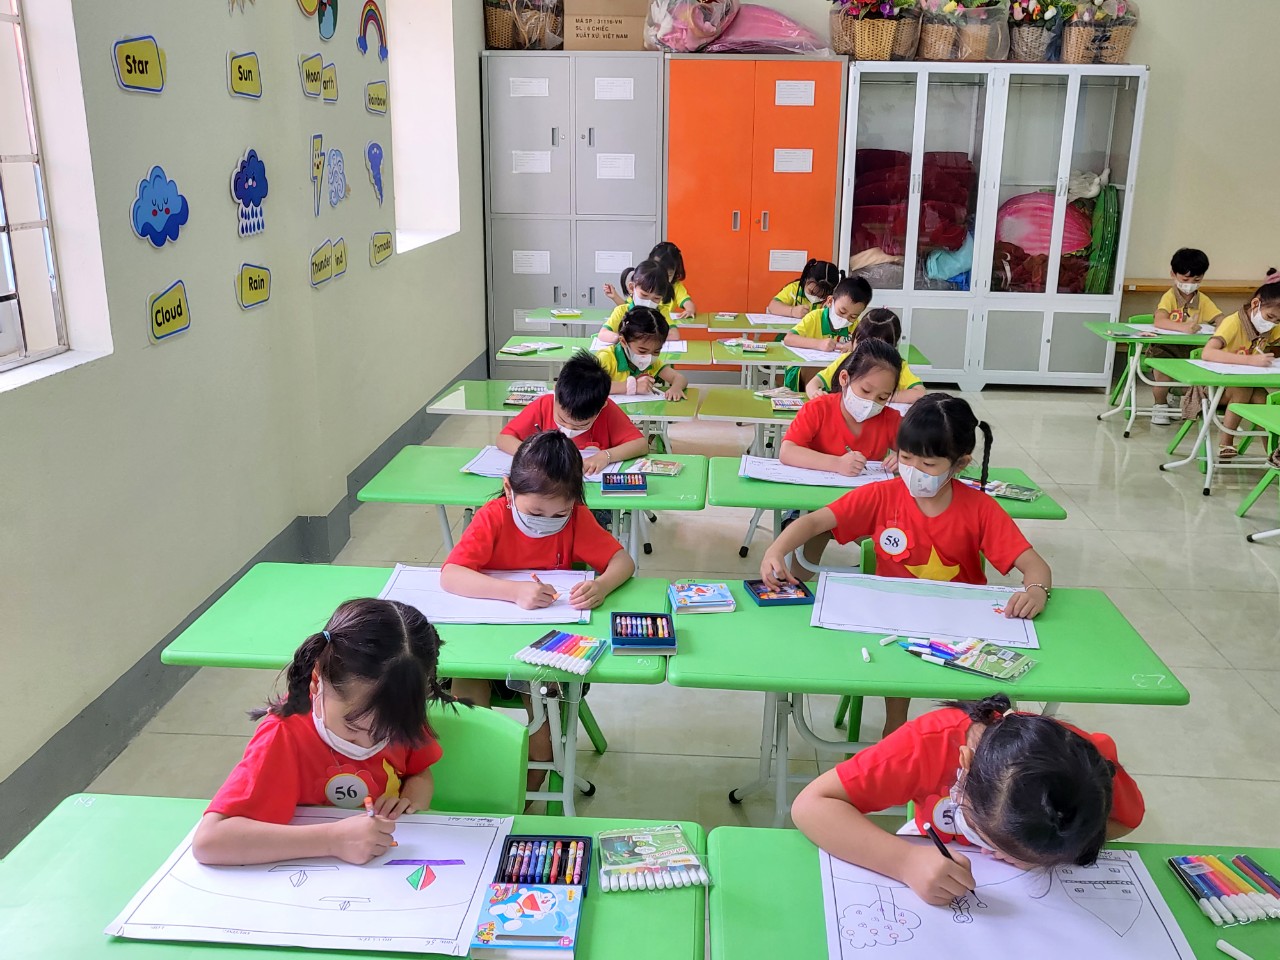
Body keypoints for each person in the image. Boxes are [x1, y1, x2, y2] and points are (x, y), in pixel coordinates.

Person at [762, 393, 1052, 737]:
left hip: (960, 631)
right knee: (895, 684)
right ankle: (894, 728)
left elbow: (1035, 566)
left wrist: (1036, 591)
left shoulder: (980, 509)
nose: (913, 471)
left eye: (928, 465)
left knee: (978, 723)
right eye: (905, 458)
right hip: (895, 626)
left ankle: (969, 743)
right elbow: (814, 522)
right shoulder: (882, 495)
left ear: (959, 464)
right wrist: (776, 550)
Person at [790, 693, 1144, 906]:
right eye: (988, 837)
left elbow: (1125, 822)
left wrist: (1043, 853)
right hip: (928, 849)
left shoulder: (1089, 765)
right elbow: (812, 805)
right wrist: (905, 862)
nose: (1001, 855)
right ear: (965, 767)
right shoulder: (927, 743)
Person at [440, 432, 635, 789]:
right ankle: (477, 786)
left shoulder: (576, 519)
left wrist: (602, 586)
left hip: (544, 655)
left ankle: (524, 803)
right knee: (467, 709)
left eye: (559, 512)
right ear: (508, 489)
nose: (547, 520)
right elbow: (451, 575)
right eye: (534, 512)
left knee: (543, 744)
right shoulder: (493, 517)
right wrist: (513, 592)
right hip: (485, 644)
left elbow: (623, 562)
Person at [193, 599, 454, 865]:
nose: (368, 743)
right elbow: (210, 841)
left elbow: (419, 771)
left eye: (385, 733)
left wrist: (411, 800)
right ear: (317, 680)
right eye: (353, 728)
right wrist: (332, 840)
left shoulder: (398, 712)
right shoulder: (285, 735)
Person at [777, 338, 903, 575]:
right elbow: (788, 451)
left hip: (864, 508)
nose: (871, 403)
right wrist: (837, 464)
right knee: (801, 569)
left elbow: (919, 451)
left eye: (882, 397)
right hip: (815, 507)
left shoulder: (890, 419)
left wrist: (903, 457)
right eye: (865, 390)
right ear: (844, 379)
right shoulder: (819, 409)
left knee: (893, 553)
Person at [497, 349, 649, 476]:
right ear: (556, 392)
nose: (568, 429)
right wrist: (533, 455)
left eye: (580, 426)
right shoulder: (544, 405)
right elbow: (503, 439)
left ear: (602, 406)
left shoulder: (607, 410)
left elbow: (641, 445)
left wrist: (606, 456)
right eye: (562, 420)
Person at [1201, 270, 1280, 459]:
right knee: (1242, 389)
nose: (1273, 323)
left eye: (1278, 320)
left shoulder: (1270, 326)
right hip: (1215, 387)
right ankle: (1226, 442)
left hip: (1249, 383)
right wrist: (1250, 360)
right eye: (1270, 317)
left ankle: (1272, 452)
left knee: (1265, 401)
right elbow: (1207, 353)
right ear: (1255, 304)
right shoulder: (1233, 322)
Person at [1149, 248, 1225, 425]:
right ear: (1173, 274)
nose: (1190, 283)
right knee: (1163, 378)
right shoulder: (1170, 297)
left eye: (1196, 280)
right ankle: (1160, 405)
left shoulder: (1203, 300)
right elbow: (1159, 320)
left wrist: (1222, 328)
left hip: (1191, 349)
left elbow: (1220, 318)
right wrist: (1183, 327)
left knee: (1195, 379)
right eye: (1185, 279)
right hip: (1165, 348)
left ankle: (1175, 399)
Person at [807, 309, 926, 405]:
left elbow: (919, 393)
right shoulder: (847, 360)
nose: (865, 351)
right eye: (860, 343)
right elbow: (814, 383)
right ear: (853, 339)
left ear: (891, 348)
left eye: (875, 346)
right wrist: (816, 393)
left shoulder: (896, 366)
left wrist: (883, 397)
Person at [781, 275, 872, 391]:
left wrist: (854, 346)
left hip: (835, 370)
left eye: (853, 316)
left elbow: (866, 350)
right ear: (830, 301)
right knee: (818, 373)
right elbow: (789, 339)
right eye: (842, 311)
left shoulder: (856, 326)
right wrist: (819, 344)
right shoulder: (814, 317)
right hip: (802, 368)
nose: (845, 319)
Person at [596, 306, 688, 400]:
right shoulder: (606, 358)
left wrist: (676, 388)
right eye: (642, 351)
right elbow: (591, 386)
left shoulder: (651, 362)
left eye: (656, 351)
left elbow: (679, 378)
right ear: (623, 342)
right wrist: (633, 386)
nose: (649, 357)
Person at [606, 242, 695, 320]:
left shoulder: (676, 287)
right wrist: (615, 296)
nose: (662, 278)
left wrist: (690, 310)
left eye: (668, 275)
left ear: (675, 272)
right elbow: (628, 308)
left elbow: (688, 303)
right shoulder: (643, 283)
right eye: (645, 295)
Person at [599, 259, 677, 343]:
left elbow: (674, 334)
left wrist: (645, 339)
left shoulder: (662, 312)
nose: (649, 302)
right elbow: (603, 334)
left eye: (656, 298)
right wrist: (622, 338)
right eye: (644, 295)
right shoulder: (621, 311)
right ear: (632, 288)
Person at [767, 258, 841, 319]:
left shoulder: (834, 298)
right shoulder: (794, 289)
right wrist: (792, 311)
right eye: (811, 292)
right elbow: (772, 306)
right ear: (805, 279)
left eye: (821, 296)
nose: (815, 298)